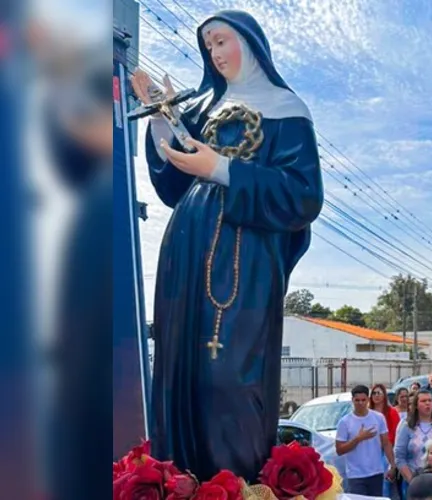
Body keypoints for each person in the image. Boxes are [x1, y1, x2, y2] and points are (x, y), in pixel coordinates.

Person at [134, 10, 324, 480]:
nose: (215, 55)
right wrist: (163, 119)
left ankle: (233, 486)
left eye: (222, 41)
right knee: (183, 374)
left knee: (229, 380)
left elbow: (303, 195)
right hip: (187, 250)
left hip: (246, 262)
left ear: (250, 42)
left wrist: (222, 169)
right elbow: (174, 183)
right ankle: (182, 484)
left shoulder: (286, 109)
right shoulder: (202, 109)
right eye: (209, 47)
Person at [335, 385, 396, 496]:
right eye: (357, 400)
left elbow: (386, 443)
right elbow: (339, 450)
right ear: (352, 400)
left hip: (376, 472)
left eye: (363, 400)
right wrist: (358, 438)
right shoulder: (344, 422)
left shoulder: (379, 418)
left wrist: (392, 465)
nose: (360, 403)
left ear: (368, 400)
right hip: (355, 475)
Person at [394, 390, 432, 498]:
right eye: (423, 401)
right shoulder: (406, 426)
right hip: (413, 480)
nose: (428, 403)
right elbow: (399, 456)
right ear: (416, 405)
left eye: (430, 400)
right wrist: (412, 481)